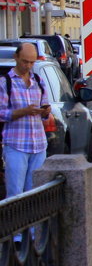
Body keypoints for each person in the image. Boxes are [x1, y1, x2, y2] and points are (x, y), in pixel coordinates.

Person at [0, 43, 51, 197]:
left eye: (32, 62)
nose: (28, 66)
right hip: (16, 145)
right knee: (15, 193)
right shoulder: (5, 82)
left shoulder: (38, 80)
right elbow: (1, 114)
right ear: (16, 58)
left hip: (39, 145)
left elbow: (46, 108)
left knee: (35, 192)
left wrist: (45, 111)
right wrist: (25, 111)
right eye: (24, 61)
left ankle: (34, 222)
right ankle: (16, 221)